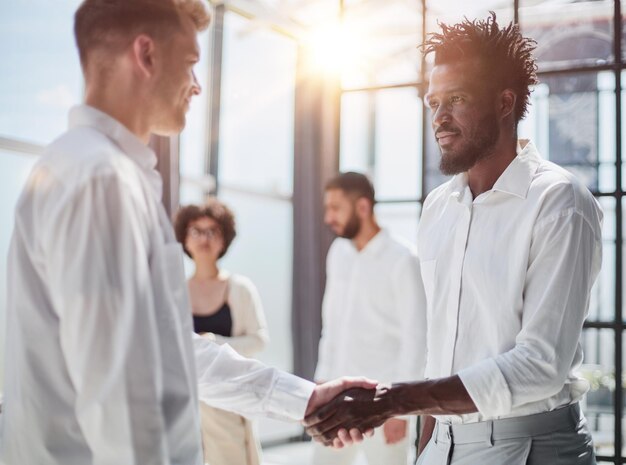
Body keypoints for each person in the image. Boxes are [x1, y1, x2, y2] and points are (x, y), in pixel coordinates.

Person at [0, 1, 375, 464]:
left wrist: (303, 398)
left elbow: (173, 349)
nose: (197, 87)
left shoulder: (93, 171)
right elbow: (121, 398)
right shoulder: (101, 181)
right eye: (191, 64)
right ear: (147, 54)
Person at [305, 13, 603, 465]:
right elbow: (438, 347)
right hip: (441, 444)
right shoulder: (438, 207)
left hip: (530, 448)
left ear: (505, 103)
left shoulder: (559, 201)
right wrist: (426, 445)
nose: (439, 119)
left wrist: (396, 401)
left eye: (457, 99)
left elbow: (540, 366)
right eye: (433, 103)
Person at [313, 172, 426, 465]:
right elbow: (332, 324)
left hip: (382, 403)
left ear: (362, 207)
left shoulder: (403, 260)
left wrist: (399, 410)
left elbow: (416, 340)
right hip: (336, 399)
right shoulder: (338, 252)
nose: (328, 217)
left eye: (336, 208)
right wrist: (321, 386)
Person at [174, 200, 268, 465]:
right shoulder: (174, 292)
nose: (204, 238)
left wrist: (216, 344)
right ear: (184, 238)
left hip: (227, 401)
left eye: (212, 231)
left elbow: (259, 339)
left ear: (224, 239)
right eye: (196, 230)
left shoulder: (239, 288)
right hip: (185, 403)